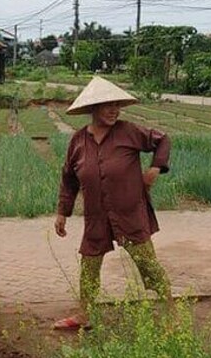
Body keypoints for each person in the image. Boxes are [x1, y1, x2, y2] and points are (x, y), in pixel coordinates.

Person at [54, 76, 172, 330]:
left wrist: (155, 168)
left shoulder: (129, 131)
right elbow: (68, 178)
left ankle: (170, 315)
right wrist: (62, 212)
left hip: (130, 214)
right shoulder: (78, 141)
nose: (114, 110)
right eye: (108, 105)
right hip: (96, 217)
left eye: (117, 105)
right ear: (92, 108)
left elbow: (163, 140)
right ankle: (85, 315)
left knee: (149, 266)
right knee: (89, 265)